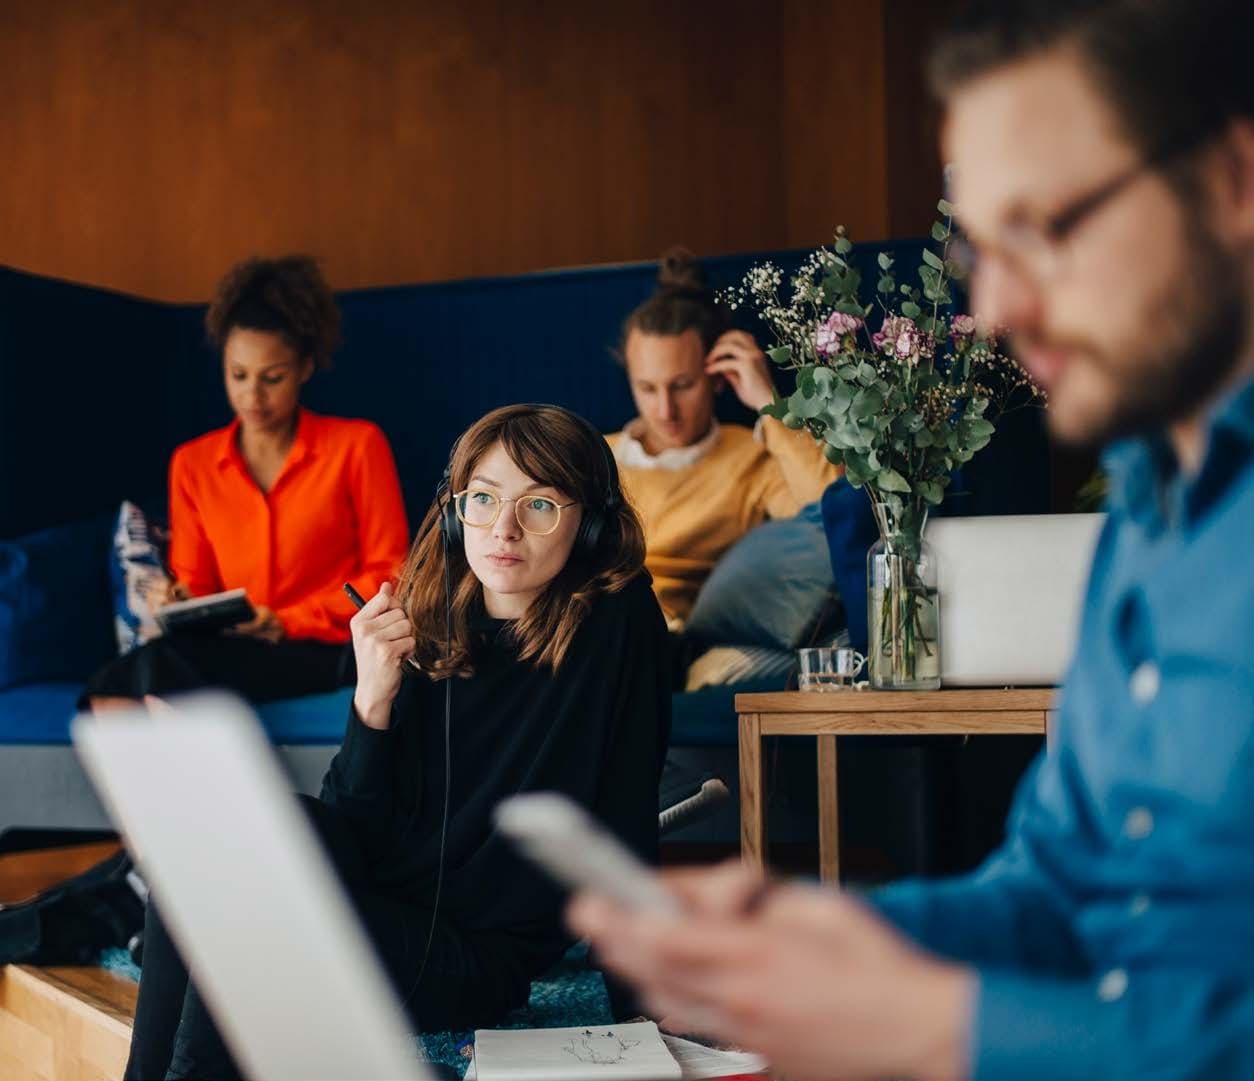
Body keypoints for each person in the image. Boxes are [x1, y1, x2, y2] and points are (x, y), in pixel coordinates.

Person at [570, 1, 1254, 1078]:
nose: (999, 305)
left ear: (1230, 182)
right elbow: (1060, 892)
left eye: (1048, 227)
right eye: (984, 243)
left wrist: (941, 1027)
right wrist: (840, 940)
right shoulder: (1147, 516)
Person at [124, 404, 671, 1079]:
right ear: (453, 510)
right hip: (375, 907)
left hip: (467, 959)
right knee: (230, 840)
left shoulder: (618, 624)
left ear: (585, 524)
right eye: (483, 499)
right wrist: (371, 700)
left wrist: (645, 1013)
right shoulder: (426, 611)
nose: (503, 528)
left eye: (539, 505)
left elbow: (626, 817)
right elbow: (353, 827)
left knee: (248, 907)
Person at [83, 255, 409, 710]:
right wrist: (177, 599)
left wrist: (284, 621)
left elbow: (390, 574)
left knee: (145, 677)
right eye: (238, 375)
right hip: (231, 647)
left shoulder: (357, 446)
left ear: (304, 369)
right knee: (122, 686)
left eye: (272, 378)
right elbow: (195, 580)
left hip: (333, 646)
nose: (252, 397)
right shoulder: (192, 463)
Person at [610, 249, 841, 628]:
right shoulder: (590, 453)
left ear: (717, 376)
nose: (665, 410)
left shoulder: (753, 457)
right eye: (647, 388)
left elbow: (833, 508)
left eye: (682, 386)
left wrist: (771, 405)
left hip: (657, 632)